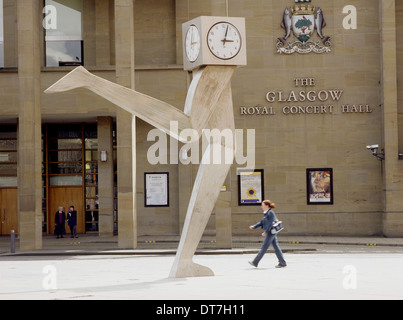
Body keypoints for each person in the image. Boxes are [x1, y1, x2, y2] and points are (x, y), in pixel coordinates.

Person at [248, 200, 287, 268]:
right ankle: (282, 263)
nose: (261, 206)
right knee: (276, 247)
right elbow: (261, 222)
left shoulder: (270, 213)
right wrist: (254, 226)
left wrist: (266, 232)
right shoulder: (266, 213)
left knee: (264, 247)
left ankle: (255, 262)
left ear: (266, 205)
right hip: (271, 232)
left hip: (270, 232)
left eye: (262, 205)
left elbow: (270, 223)